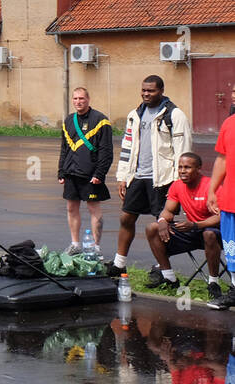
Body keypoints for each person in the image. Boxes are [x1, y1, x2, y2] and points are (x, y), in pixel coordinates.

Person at [110, 76, 192, 275]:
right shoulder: (135, 114)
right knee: (126, 218)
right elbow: (127, 147)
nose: (146, 94)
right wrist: (123, 176)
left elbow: (183, 151)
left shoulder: (175, 115)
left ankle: (162, 268)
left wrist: (178, 183)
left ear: (161, 91)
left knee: (161, 225)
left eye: (151, 91)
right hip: (138, 177)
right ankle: (118, 264)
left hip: (163, 179)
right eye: (144, 90)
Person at [143, 152, 221, 296]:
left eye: (187, 167)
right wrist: (162, 221)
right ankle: (169, 277)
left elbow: (221, 217)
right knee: (152, 228)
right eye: (180, 167)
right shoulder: (177, 186)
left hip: (214, 232)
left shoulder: (211, 186)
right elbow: (168, 210)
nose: (182, 171)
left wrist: (196, 225)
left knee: (209, 233)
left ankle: (213, 283)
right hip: (191, 230)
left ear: (198, 169)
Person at [58, 87, 114, 255]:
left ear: (88, 99)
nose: (78, 102)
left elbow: (106, 151)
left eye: (81, 98)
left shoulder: (101, 120)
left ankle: (95, 248)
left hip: (91, 175)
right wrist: (61, 171)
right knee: (71, 208)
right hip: (71, 173)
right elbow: (64, 149)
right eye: (75, 99)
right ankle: (75, 244)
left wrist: (99, 173)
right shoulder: (68, 120)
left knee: (93, 209)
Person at [207, 112, 235, 310]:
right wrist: (212, 190)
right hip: (231, 200)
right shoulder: (229, 123)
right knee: (232, 248)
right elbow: (222, 159)